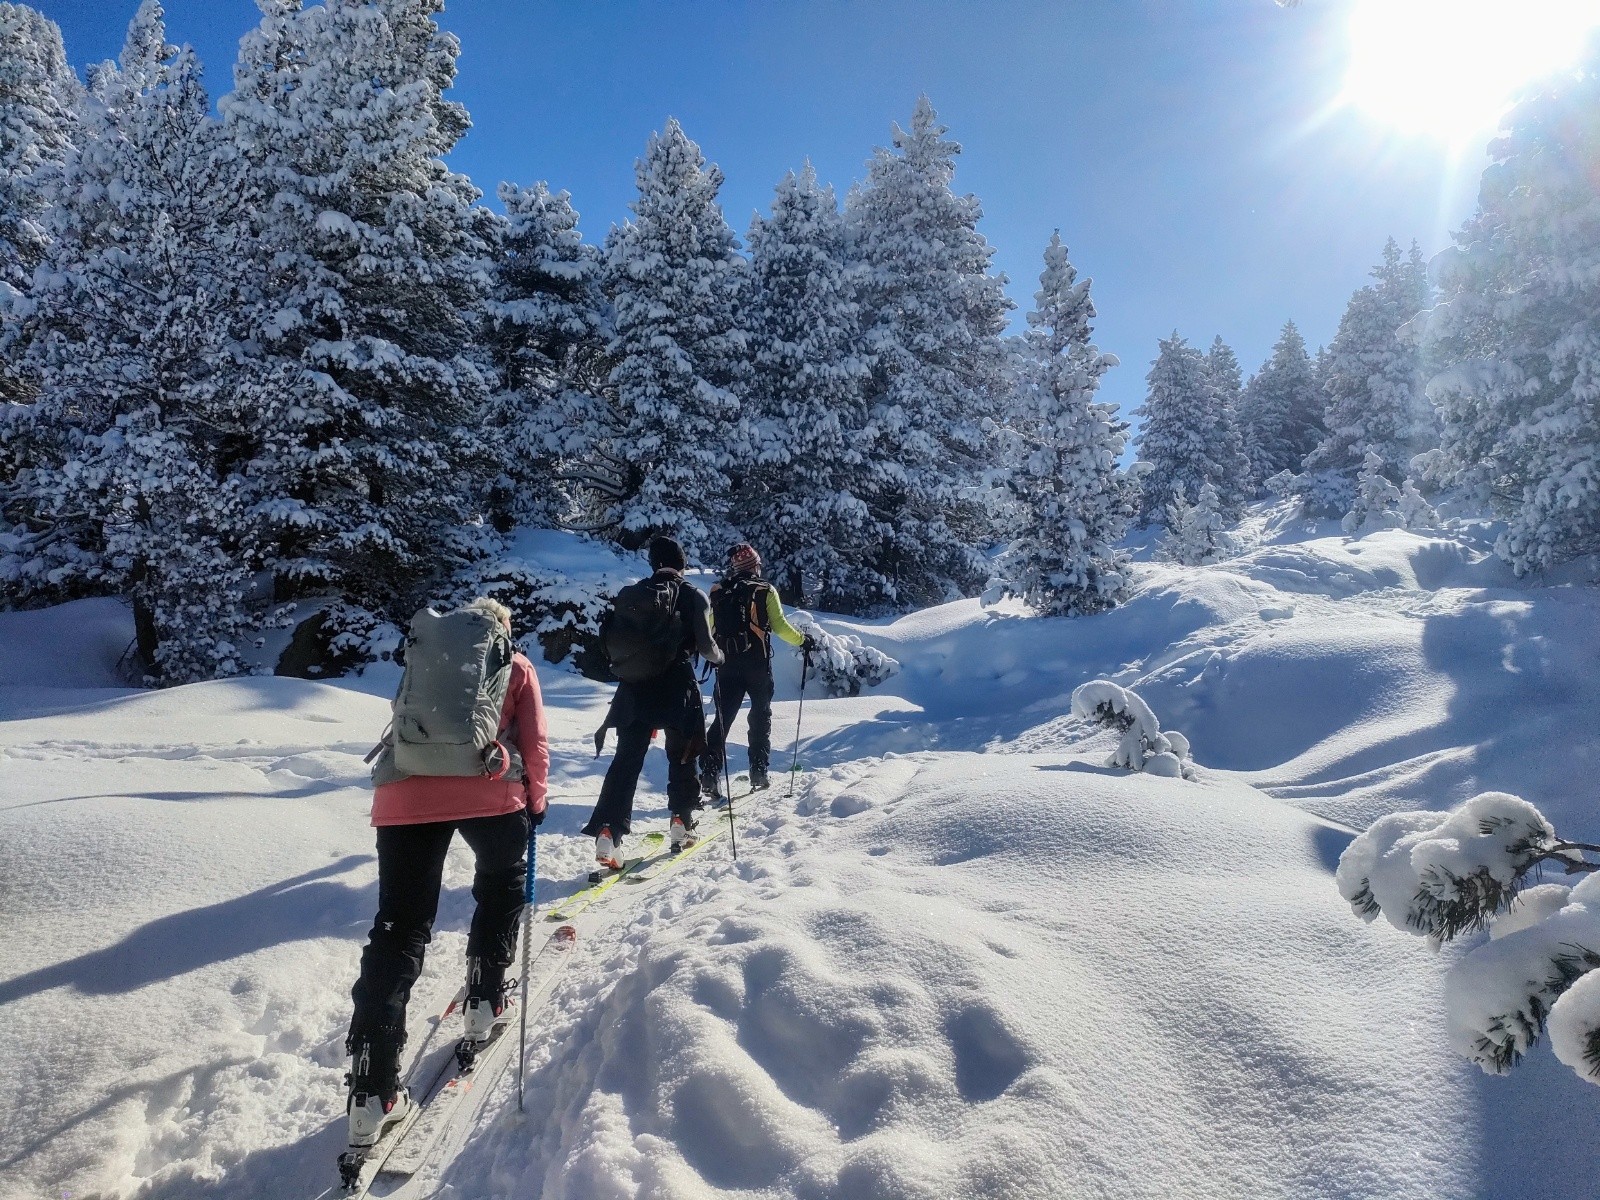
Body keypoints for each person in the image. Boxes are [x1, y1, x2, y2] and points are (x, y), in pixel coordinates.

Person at [344, 597, 549, 1149]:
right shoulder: (516, 663)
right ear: (503, 631)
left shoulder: (427, 658)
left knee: (400, 928)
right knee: (502, 886)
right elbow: (534, 742)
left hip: (403, 794)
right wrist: (536, 799)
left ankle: (371, 1092)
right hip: (489, 790)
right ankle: (485, 999)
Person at [584, 535, 723, 859]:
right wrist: (720, 658)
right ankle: (681, 821)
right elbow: (706, 646)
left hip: (634, 689)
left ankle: (608, 832)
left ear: (652, 564)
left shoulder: (634, 595)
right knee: (683, 754)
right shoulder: (692, 595)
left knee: (626, 761)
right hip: (676, 686)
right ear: (682, 564)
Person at [700, 542, 816, 799]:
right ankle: (759, 771)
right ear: (755, 565)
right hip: (757, 665)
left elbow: (708, 628)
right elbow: (781, 627)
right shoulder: (766, 590)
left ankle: (709, 774)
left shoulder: (719, 591)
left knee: (722, 718)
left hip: (726, 664)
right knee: (760, 716)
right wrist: (803, 640)